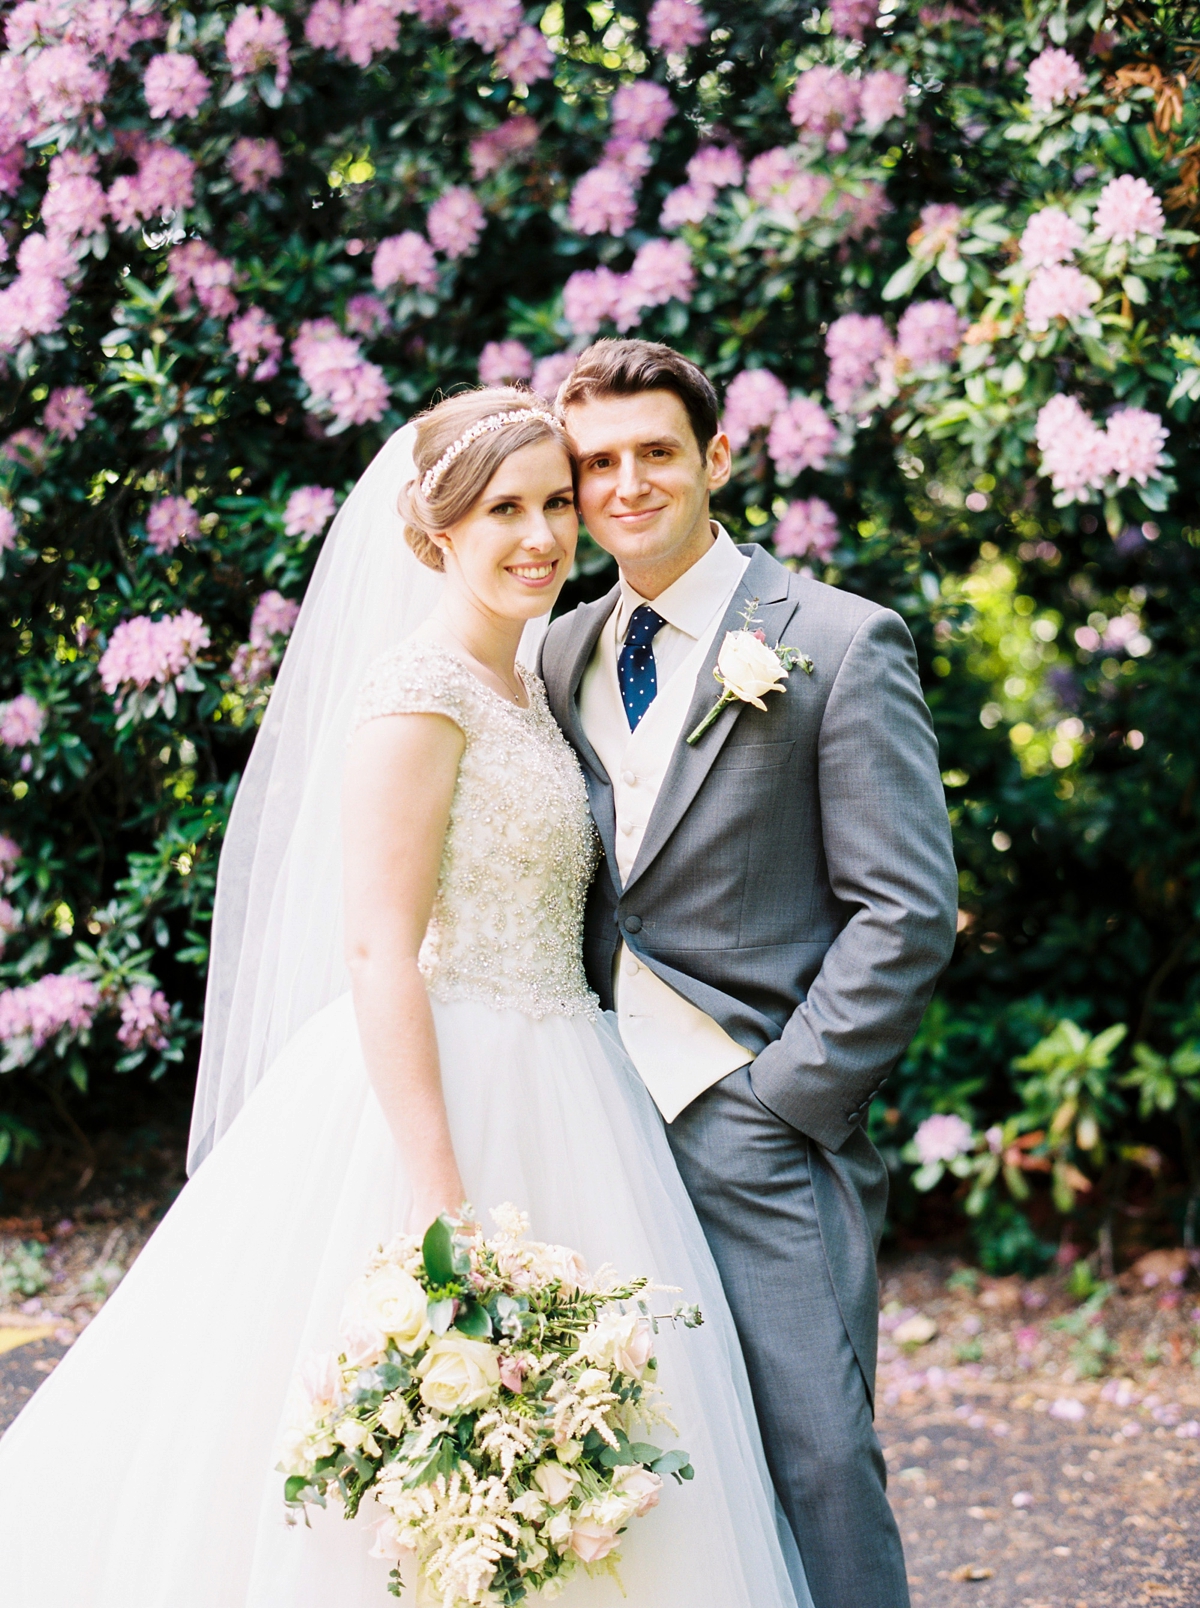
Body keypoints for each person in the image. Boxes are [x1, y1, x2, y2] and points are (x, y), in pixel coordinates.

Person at [0, 389, 811, 1608]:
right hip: (439, 1092)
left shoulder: (534, 676)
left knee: (590, 1444)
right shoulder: (416, 693)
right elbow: (379, 951)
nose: (542, 536)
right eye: (504, 511)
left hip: (575, 1079)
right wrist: (442, 1204)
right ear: (434, 534)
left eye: (553, 504)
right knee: (418, 1453)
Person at [541, 339, 959, 1608]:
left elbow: (906, 910)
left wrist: (788, 1099)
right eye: (596, 463)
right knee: (632, 1460)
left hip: (758, 1122)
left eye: (655, 452)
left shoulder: (837, 640)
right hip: (590, 1118)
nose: (626, 484)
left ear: (715, 458)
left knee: (820, 1453)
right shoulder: (557, 657)